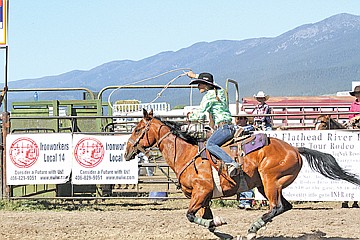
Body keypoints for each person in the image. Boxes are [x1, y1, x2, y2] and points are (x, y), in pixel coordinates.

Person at [186, 71, 239, 177]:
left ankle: (230, 163)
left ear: (206, 85)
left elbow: (200, 114)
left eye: (199, 83)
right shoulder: (220, 92)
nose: (198, 86)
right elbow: (215, 83)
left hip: (223, 127)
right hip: (229, 126)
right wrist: (195, 76)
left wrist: (189, 115)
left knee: (210, 144)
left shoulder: (209, 96)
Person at [235, 111, 255, 209]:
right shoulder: (236, 129)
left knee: (247, 175)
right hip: (238, 153)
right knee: (241, 176)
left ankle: (248, 200)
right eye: (238, 118)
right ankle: (243, 200)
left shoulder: (249, 128)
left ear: (246, 120)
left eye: (242, 118)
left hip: (247, 154)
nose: (239, 120)